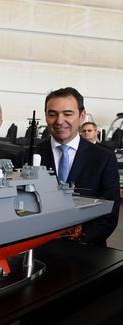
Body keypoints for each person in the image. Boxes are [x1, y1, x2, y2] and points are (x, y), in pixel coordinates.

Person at [35, 87, 120, 246]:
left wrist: (77, 239)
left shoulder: (104, 157)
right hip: (37, 250)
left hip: (87, 253)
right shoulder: (28, 156)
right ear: (46, 116)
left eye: (68, 114)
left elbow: (110, 210)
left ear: (81, 116)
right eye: (52, 114)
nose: (60, 121)